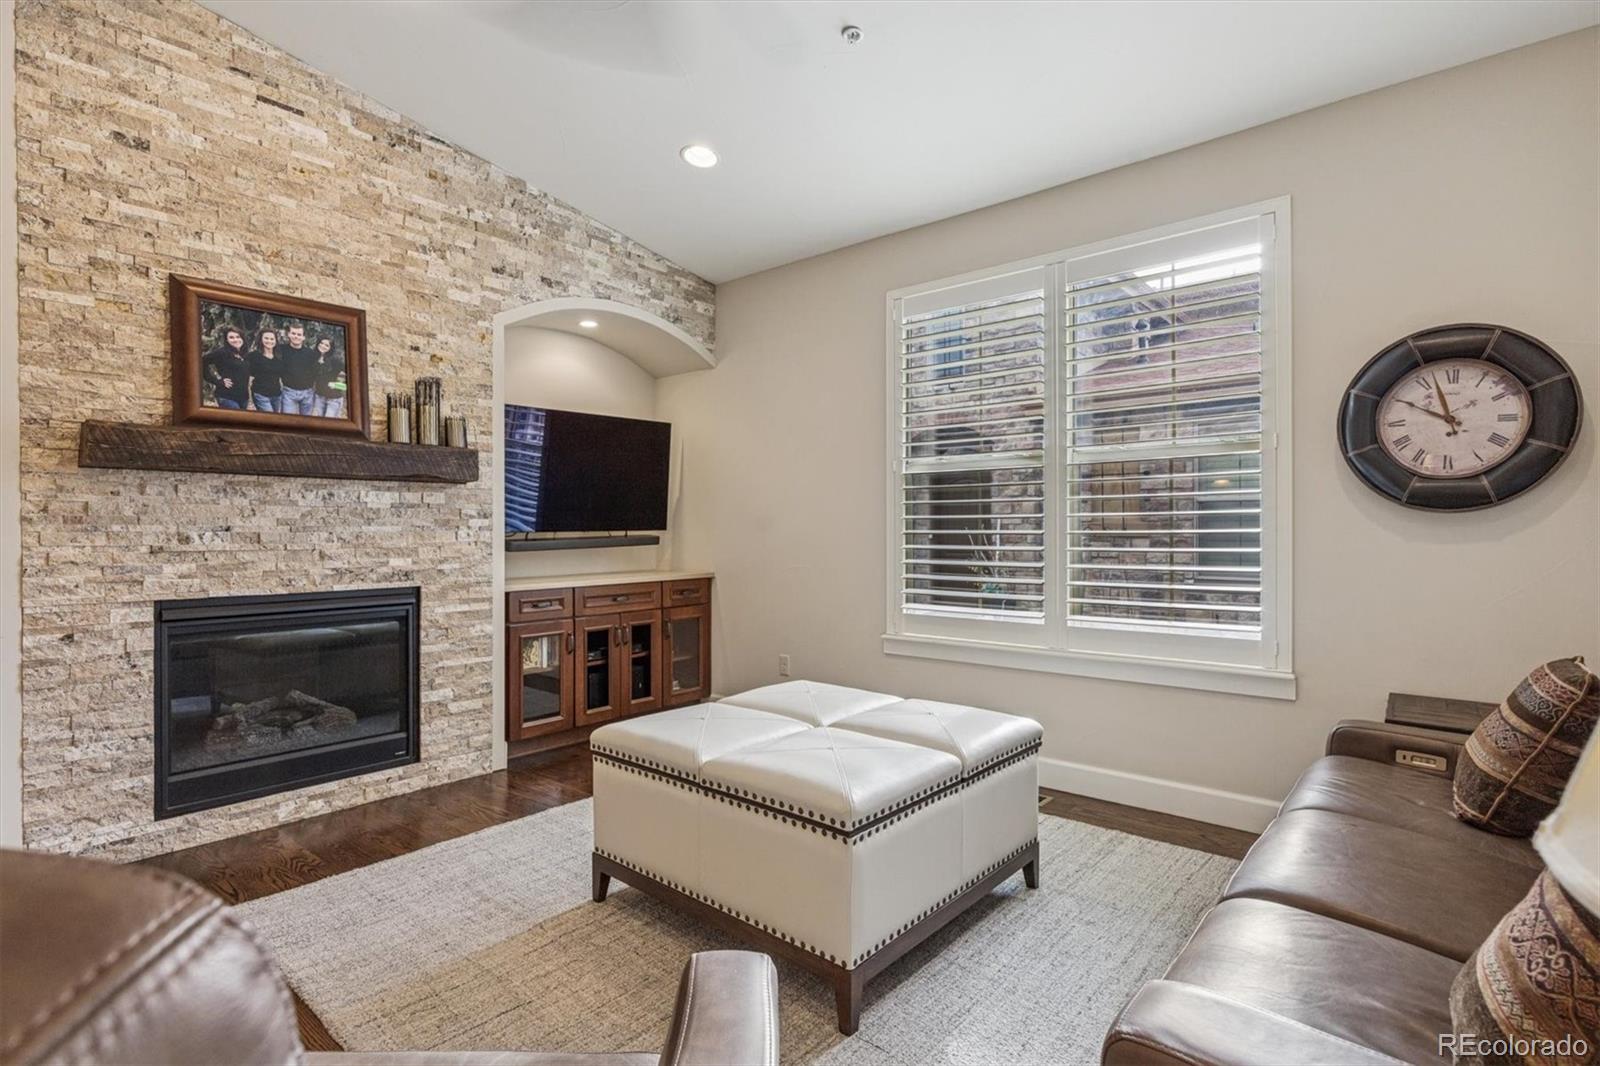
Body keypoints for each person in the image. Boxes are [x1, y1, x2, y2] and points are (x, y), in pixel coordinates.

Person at [277, 321, 320, 416]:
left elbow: (317, 371)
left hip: (307, 393)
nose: (296, 336)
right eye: (293, 333)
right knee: (287, 422)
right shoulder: (281, 349)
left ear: (303, 337)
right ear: (289, 334)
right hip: (289, 392)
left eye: (299, 334)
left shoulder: (310, 353)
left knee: (306, 424)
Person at [203, 326, 250, 410]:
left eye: (238, 337)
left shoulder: (244, 353)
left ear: (242, 338)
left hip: (243, 398)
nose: (235, 339)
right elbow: (201, 361)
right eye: (231, 337)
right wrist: (216, 381)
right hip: (226, 397)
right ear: (227, 340)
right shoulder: (222, 353)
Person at [312, 336, 347, 419]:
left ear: (331, 348)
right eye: (321, 343)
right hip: (319, 397)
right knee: (319, 424)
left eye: (327, 345)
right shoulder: (315, 358)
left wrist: (336, 384)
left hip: (333, 398)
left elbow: (344, 380)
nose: (323, 346)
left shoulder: (335, 360)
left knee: (330, 426)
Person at [248, 327, 283, 412]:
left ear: (275, 341)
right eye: (266, 338)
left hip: (276, 394)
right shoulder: (253, 356)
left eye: (272, 339)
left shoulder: (279, 357)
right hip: (260, 394)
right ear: (261, 339)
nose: (269, 341)